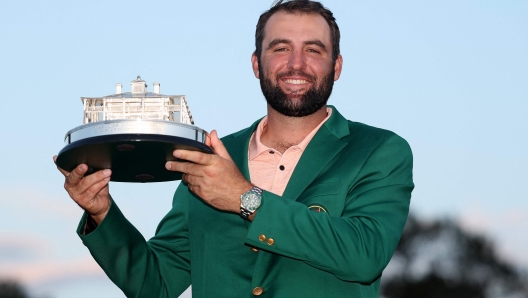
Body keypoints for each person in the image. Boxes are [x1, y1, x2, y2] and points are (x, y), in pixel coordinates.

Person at [54, 1, 414, 297]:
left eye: (313, 50)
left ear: (336, 67)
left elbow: (365, 255)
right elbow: (156, 283)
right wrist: (103, 214)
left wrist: (245, 198)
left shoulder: (379, 150)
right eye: (280, 48)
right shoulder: (208, 158)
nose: (296, 64)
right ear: (257, 64)